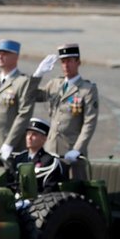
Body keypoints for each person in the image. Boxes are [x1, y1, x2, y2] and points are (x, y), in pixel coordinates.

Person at [31, 43, 99, 180]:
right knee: (50, 187)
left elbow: (89, 123)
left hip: (72, 149)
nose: (66, 66)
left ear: (78, 62)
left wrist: (78, 149)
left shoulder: (87, 89)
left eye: (69, 61)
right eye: (63, 62)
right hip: (51, 148)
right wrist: (37, 75)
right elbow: (31, 96)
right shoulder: (55, 84)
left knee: (76, 190)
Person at [6, 117, 67, 193]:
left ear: (44, 139)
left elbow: (50, 189)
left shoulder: (49, 161)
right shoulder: (19, 158)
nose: (29, 138)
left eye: (34, 135)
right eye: (28, 134)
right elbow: (10, 183)